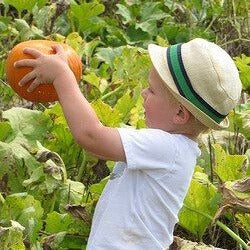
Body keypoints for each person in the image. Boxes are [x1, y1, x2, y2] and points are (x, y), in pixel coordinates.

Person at [14, 38, 242, 250]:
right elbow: (100, 131)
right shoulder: (173, 148)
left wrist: (62, 76)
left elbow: (92, 136)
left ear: (180, 114)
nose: (143, 93)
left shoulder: (166, 148)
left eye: (152, 90)